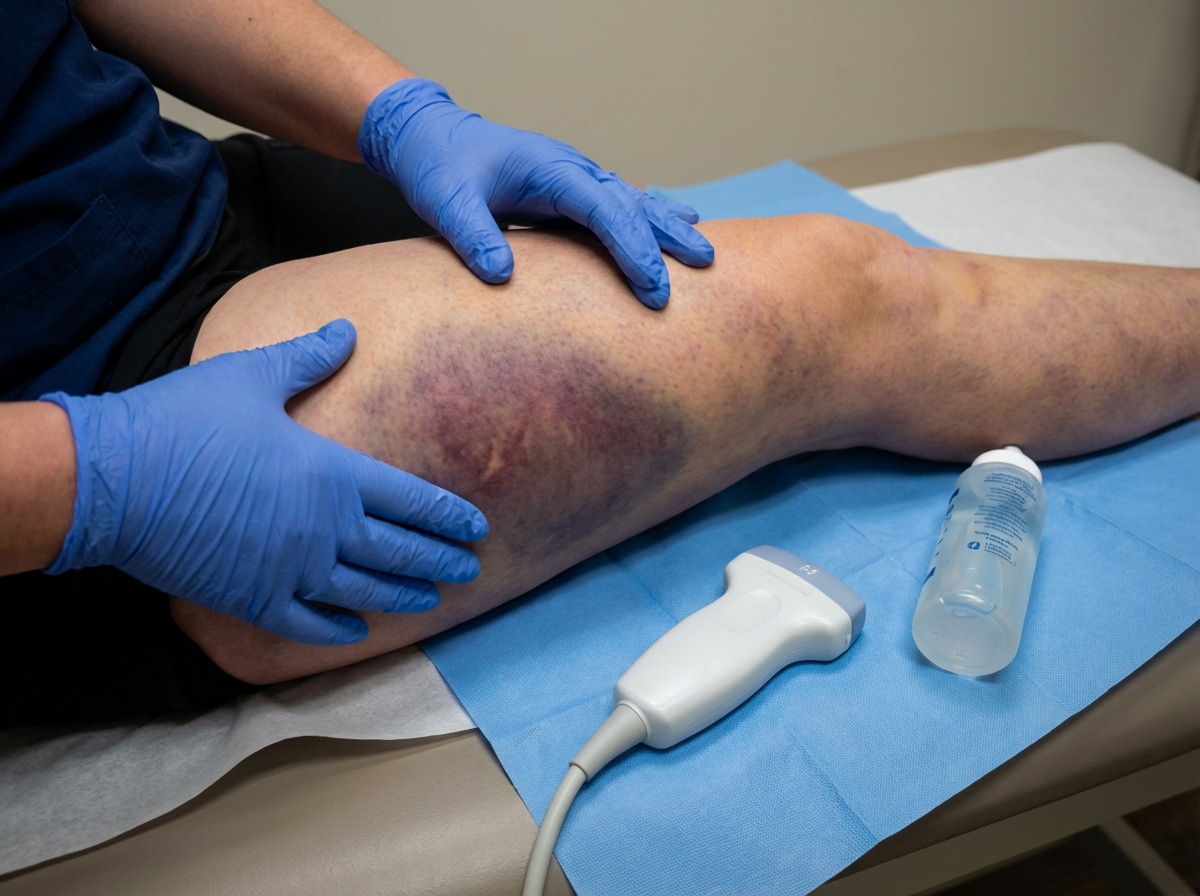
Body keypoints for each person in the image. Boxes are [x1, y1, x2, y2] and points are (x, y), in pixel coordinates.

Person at [4, 3, 1199, 726]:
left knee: (666, 258)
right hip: (97, 399)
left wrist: (401, 114)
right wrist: (89, 479)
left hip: (171, 195)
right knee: (844, 303)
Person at [0, 0, 711, 723]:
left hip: (157, 187)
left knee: (659, 275)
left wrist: (401, 114)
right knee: (780, 301)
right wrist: (91, 481)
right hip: (74, 401)